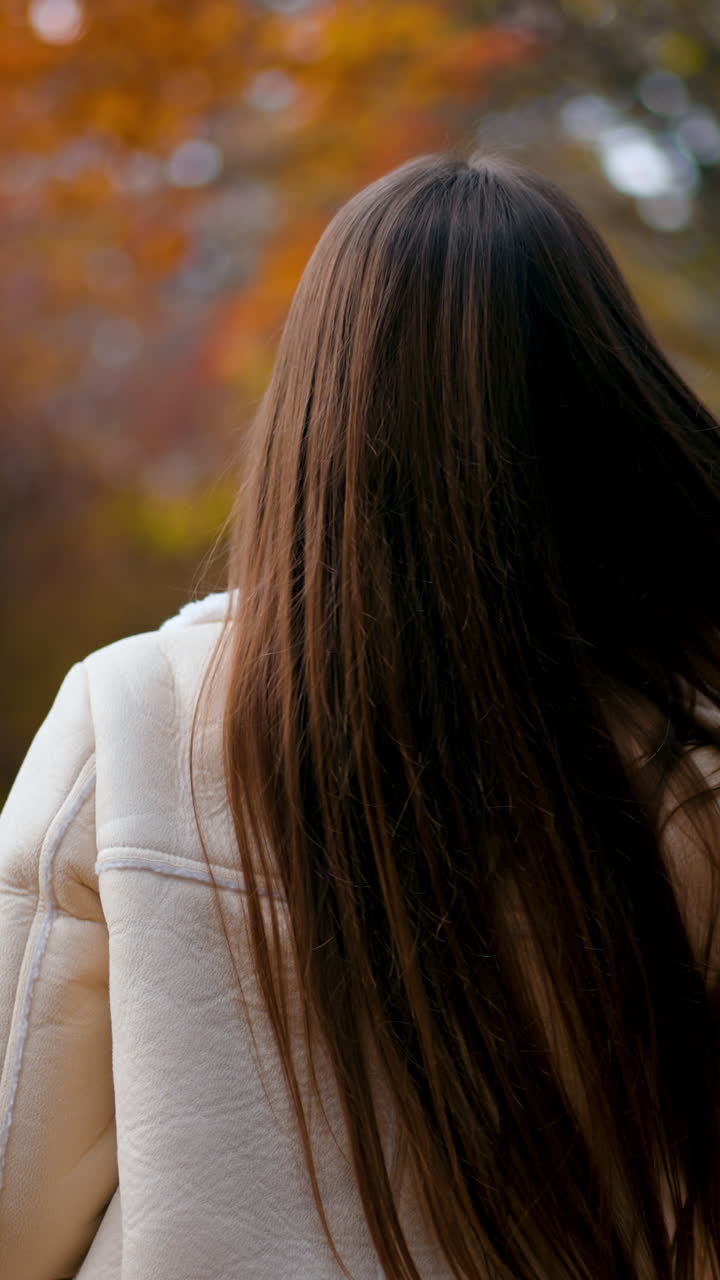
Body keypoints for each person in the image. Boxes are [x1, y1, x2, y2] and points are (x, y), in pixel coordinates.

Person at [2, 151, 720, 1280]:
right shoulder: (692, 770)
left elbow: (12, 1192)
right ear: (598, 405)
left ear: (315, 407)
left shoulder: (131, 717)